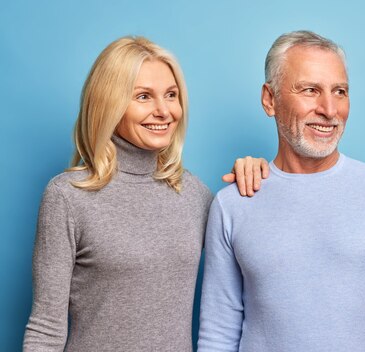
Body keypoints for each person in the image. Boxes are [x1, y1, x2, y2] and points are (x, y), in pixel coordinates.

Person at [198, 30, 365, 351]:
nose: (329, 109)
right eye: (310, 90)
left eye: (340, 91)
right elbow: (218, 336)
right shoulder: (234, 203)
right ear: (270, 99)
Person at [22, 36, 268, 351]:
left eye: (171, 95)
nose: (164, 111)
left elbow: (263, 265)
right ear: (108, 103)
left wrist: (259, 175)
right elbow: (45, 329)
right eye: (143, 96)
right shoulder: (68, 197)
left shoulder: (194, 195)